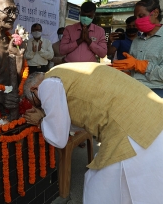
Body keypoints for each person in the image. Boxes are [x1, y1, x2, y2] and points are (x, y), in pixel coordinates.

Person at [23, 62, 163, 204]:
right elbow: (76, 115)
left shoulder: (47, 84)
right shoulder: (63, 72)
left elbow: (59, 137)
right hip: (151, 115)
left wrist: (41, 121)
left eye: (37, 103)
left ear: (35, 89)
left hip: (131, 128)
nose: (40, 106)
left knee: (98, 190)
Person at [113, 0, 163, 97]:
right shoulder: (136, 41)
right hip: (133, 88)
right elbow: (132, 68)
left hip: (156, 92)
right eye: (136, 17)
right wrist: (124, 71)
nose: (137, 21)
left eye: (141, 16)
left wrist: (142, 66)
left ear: (156, 13)